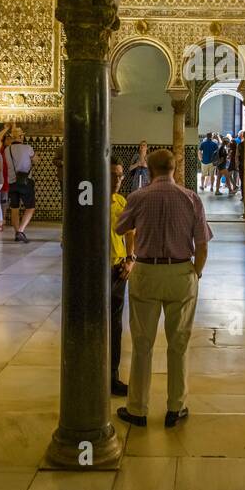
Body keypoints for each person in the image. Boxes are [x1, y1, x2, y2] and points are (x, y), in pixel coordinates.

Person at [115, 148, 212, 428]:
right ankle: (175, 407)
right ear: (174, 168)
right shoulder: (191, 198)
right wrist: (196, 273)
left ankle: (137, 409)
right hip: (180, 271)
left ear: (152, 169)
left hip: (145, 271)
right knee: (178, 344)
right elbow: (202, 245)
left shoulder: (138, 197)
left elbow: (121, 229)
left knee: (142, 345)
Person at [108, 157, 135, 396]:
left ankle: (111, 376)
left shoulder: (121, 201)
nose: (117, 180)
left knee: (115, 325)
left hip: (116, 268)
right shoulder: (91, 201)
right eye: (113, 175)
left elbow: (130, 233)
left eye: (120, 175)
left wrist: (130, 260)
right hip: (96, 271)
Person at [5, 127, 37, 242]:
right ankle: (21, 231)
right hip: (25, 182)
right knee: (30, 208)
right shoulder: (27, 148)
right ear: (21, 137)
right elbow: (36, 159)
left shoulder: (7, 149)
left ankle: (16, 233)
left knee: (15, 208)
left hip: (12, 183)